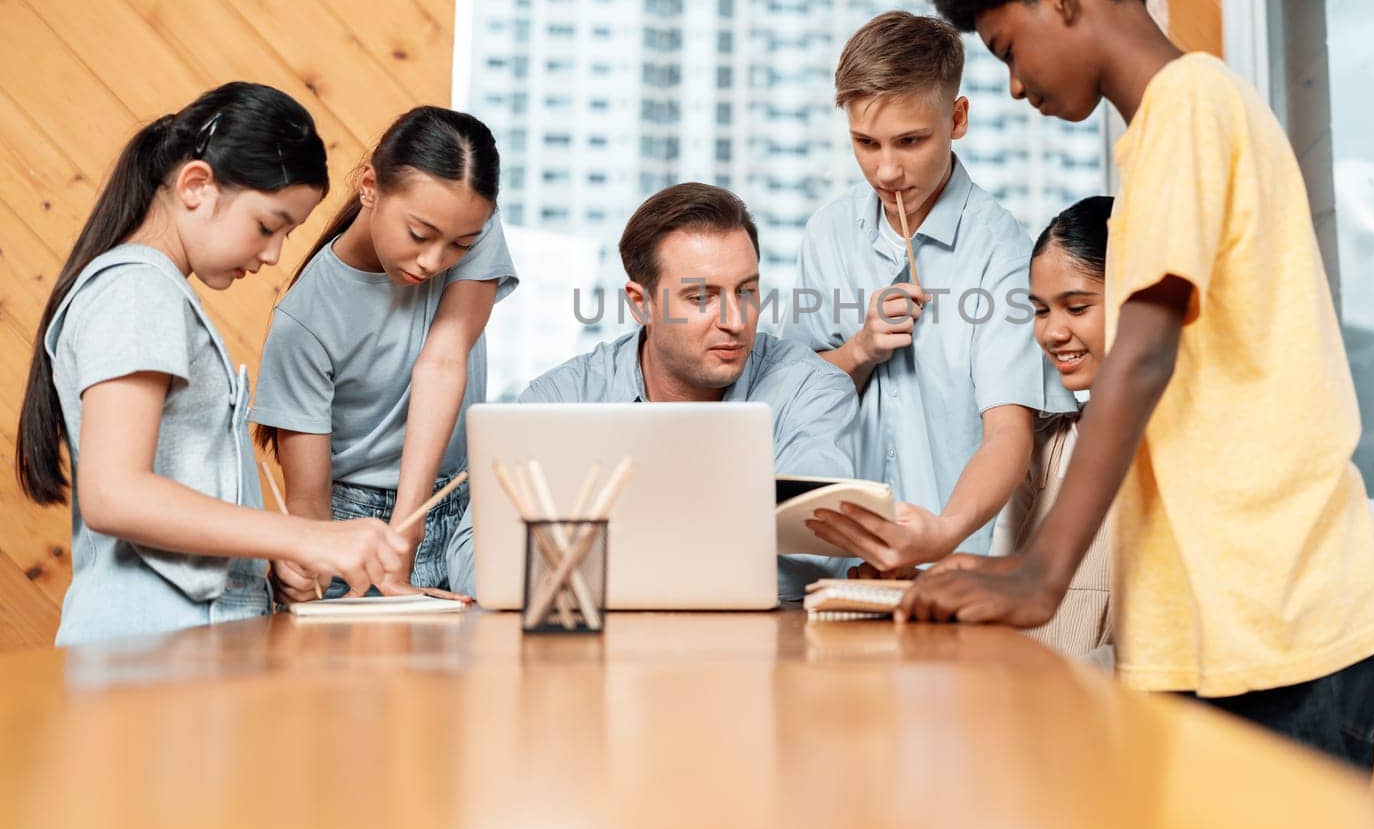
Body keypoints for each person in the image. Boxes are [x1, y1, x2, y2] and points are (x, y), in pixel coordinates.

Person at [899, 0, 1374, 771]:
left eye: (1007, 50)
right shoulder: (1164, 136)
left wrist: (1040, 571)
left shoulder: (1190, 102)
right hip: (1221, 624)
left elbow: (1140, 355)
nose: (1014, 85)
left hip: (1278, 616)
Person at [15, 82, 408, 646]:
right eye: (268, 226)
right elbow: (114, 494)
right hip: (149, 656)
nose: (273, 254)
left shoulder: (151, 291)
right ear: (197, 185)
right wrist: (302, 538)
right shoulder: (136, 292)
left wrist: (268, 559)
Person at [446, 183, 858, 601]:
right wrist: (708, 561)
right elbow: (471, 559)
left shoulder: (810, 391)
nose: (735, 320)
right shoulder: (562, 396)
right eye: (702, 297)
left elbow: (813, 560)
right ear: (640, 303)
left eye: (747, 291)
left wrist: (591, 568)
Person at [786, 11, 1066, 577]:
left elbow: (1009, 435)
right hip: (830, 575)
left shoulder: (1004, 254)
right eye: (866, 143)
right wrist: (860, 349)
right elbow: (794, 403)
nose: (886, 170)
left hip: (950, 574)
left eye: (910, 141)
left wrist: (940, 535)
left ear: (957, 118)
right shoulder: (828, 233)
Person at [252, 107, 517, 599]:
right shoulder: (304, 319)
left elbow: (443, 359)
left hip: (459, 506)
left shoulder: (466, 216)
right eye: (419, 235)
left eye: (460, 245)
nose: (434, 261)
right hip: (357, 526)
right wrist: (307, 570)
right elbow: (309, 503)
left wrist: (409, 528)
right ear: (370, 186)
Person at [988, 197, 1116, 663]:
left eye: (1077, 307)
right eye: (1041, 312)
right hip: (1022, 715)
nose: (1052, 333)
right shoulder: (1045, 444)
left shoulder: (1179, 459)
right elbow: (1000, 597)